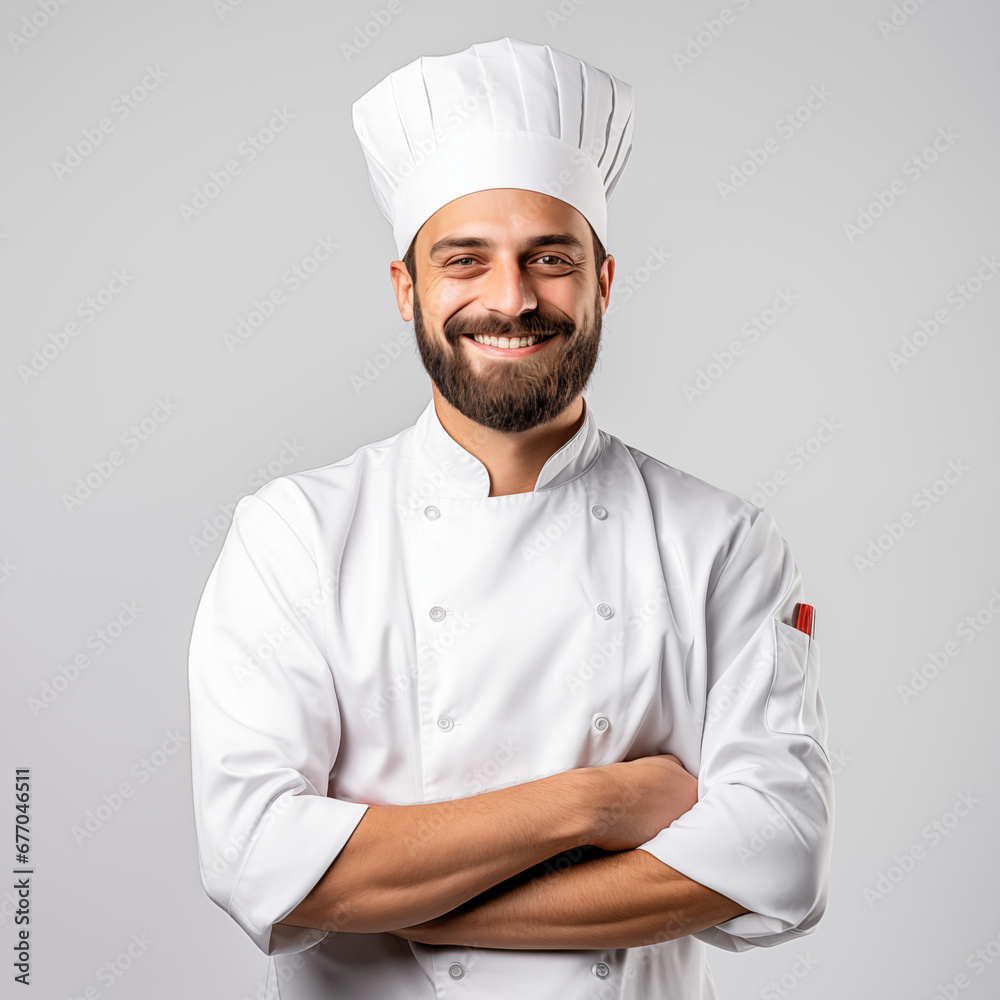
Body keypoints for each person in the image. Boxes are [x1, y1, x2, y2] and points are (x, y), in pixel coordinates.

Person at [187, 36, 834, 999]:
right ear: (406, 288)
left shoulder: (722, 543)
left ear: (602, 281)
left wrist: (367, 893)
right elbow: (250, 859)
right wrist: (600, 801)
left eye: (549, 258)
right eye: (465, 260)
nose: (512, 299)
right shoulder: (294, 536)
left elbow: (781, 855)